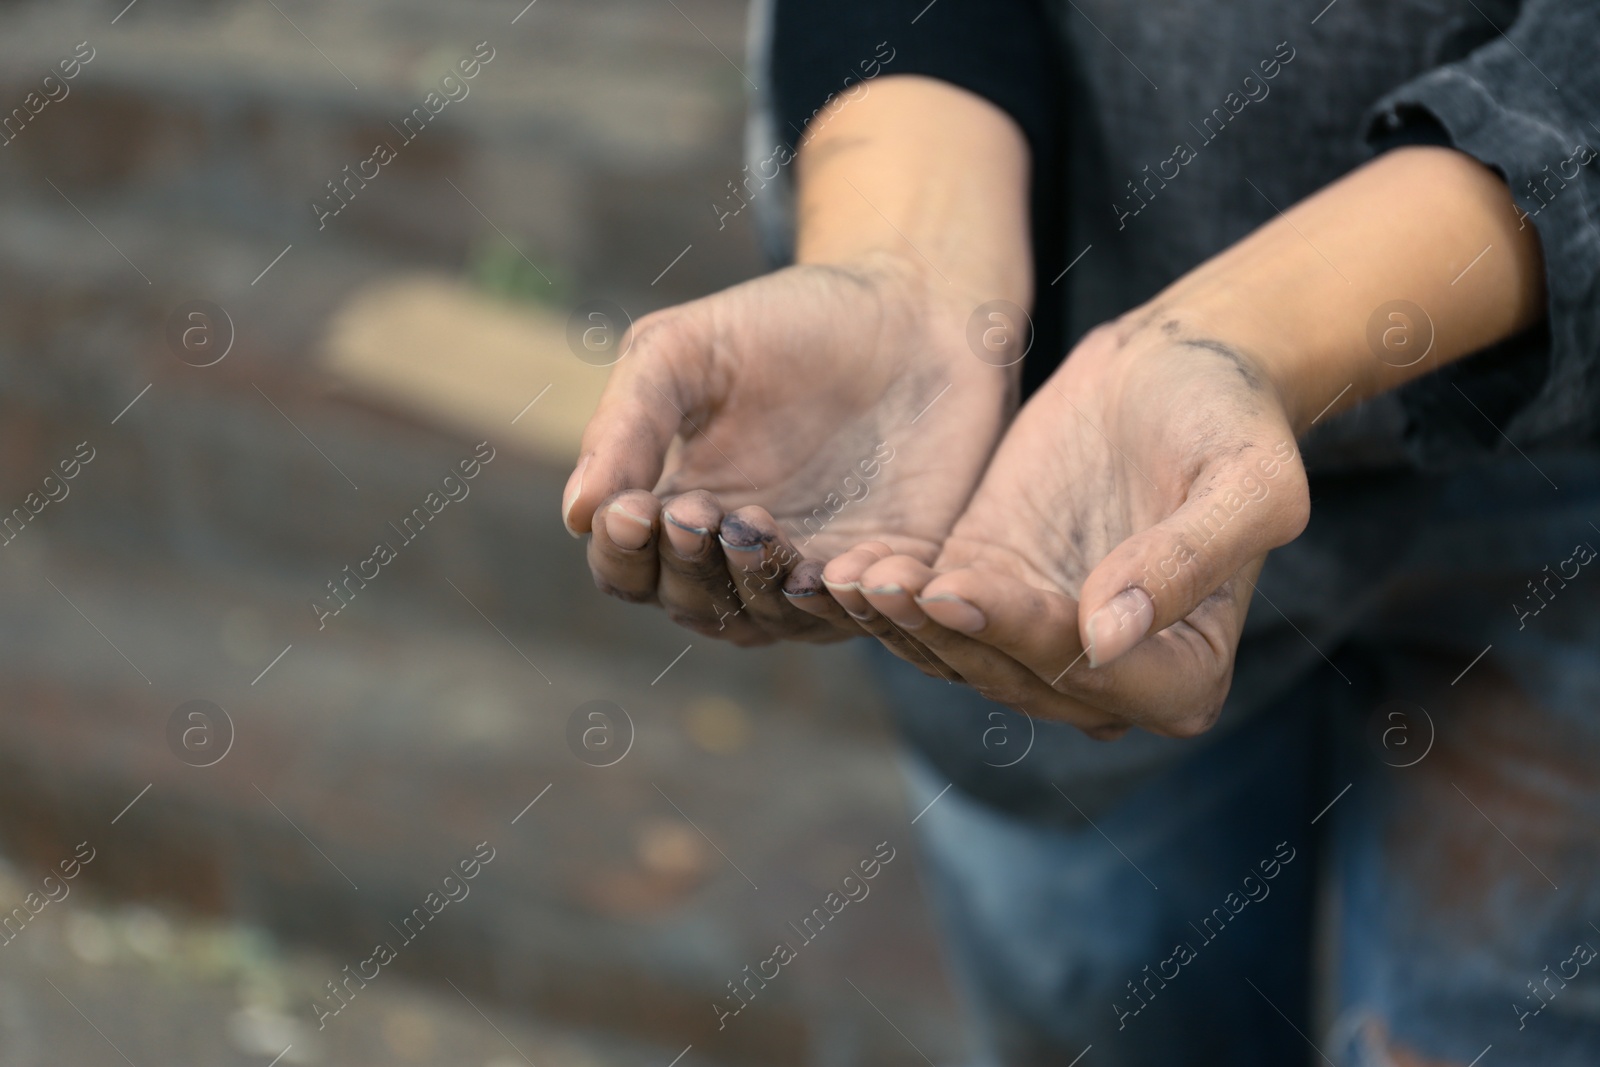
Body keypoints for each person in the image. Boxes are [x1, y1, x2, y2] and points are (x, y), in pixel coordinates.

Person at [564, 1, 1600, 1063]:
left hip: (1564, 458)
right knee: (1107, 1003)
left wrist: (1236, 339)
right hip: (1013, 430)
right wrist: (909, 267)